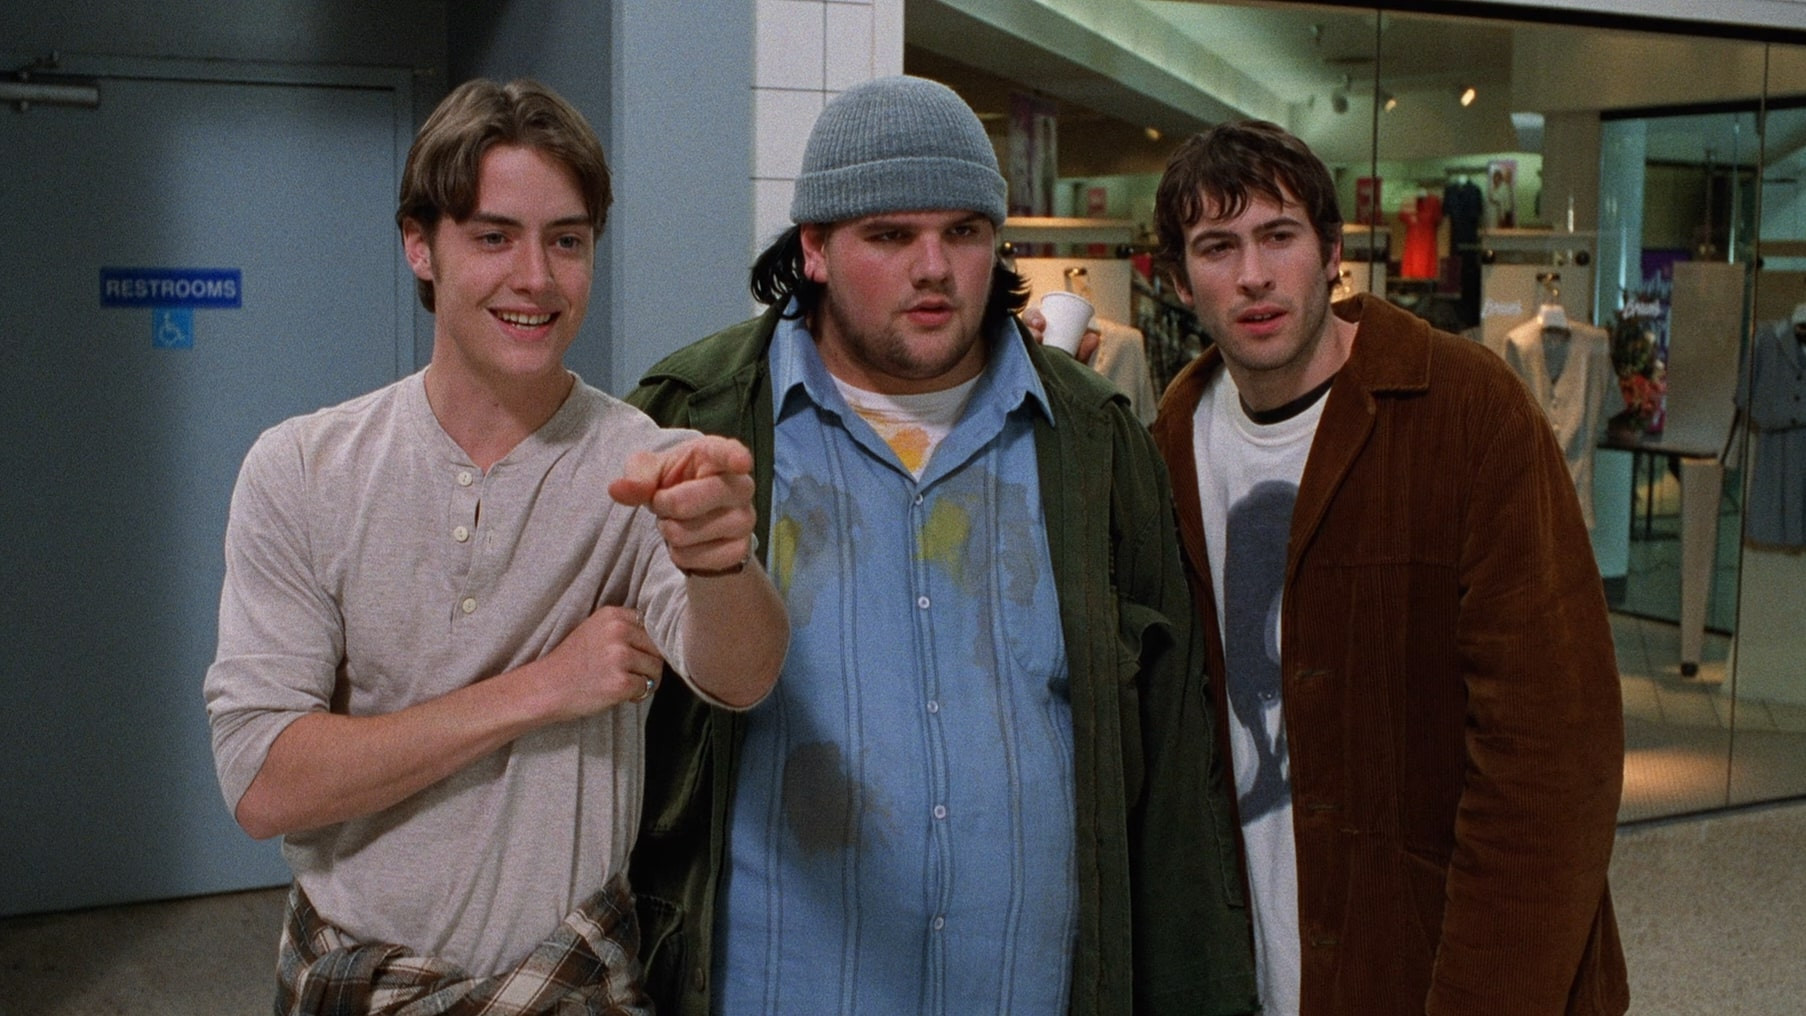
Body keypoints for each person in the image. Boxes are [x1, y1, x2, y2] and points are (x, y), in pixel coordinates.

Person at [623, 75, 1256, 1016]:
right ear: (814, 249)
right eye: (889, 235)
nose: (935, 268)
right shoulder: (699, 419)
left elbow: (1172, 762)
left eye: (963, 231)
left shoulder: (1091, 441)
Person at [202, 77, 787, 1014]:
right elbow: (265, 783)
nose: (537, 278)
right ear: (419, 244)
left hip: (565, 987)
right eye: (493, 237)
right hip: (354, 983)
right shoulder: (303, 469)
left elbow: (744, 676)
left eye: (568, 240)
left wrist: (721, 560)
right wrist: (542, 689)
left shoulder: (646, 464)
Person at [1146, 119, 1628, 1015]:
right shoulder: (1170, 444)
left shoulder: (1468, 410)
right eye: (1217, 247)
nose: (1253, 275)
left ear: (1333, 253)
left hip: (1435, 962)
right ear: (1178, 281)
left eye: (1279, 236)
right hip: (1258, 967)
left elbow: (1554, 761)